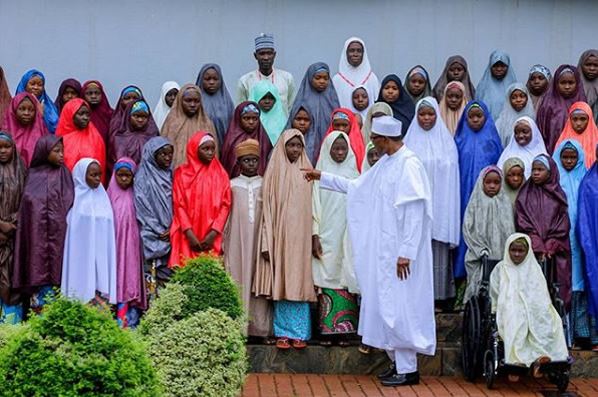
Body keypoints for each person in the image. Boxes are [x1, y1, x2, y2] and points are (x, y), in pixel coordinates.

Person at [303, 115, 435, 387]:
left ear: (386, 139)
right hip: (385, 252)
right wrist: (323, 177)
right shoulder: (387, 163)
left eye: (375, 138)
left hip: (402, 256)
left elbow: (415, 213)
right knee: (386, 307)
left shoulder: (409, 165)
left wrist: (406, 252)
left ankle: (409, 370)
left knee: (402, 308)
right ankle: (397, 363)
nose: (371, 143)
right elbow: (357, 188)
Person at [253, 129, 317, 350]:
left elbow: (316, 207)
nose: (295, 150)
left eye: (299, 146)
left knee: (299, 280)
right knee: (282, 281)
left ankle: (300, 333)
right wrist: (265, 241)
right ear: (283, 147)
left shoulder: (308, 172)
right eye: (291, 145)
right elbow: (266, 211)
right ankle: (283, 333)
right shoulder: (273, 173)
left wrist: (315, 235)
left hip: (302, 238)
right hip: (279, 236)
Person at [404, 97, 460, 307]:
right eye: (422, 114)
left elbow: (451, 180)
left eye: (430, 114)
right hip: (415, 210)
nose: (426, 118)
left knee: (437, 254)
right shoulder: (408, 144)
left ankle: (438, 298)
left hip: (440, 208)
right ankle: (415, 300)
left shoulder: (447, 144)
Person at [490, 233, 569, 374]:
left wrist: (535, 308)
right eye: (513, 250)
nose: (516, 254)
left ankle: (541, 358)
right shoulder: (500, 269)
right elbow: (495, 293)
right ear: (507, 250)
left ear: (528, 252)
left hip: (534, 305)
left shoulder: (534, 269)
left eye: (521, 251)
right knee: (517, 320)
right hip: (509, 306)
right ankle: (516, 361)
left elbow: (541, 294)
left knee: (548, 320)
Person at [12, 135, 74, 314]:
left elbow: (69, 202)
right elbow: (27, 209)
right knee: (37, 276)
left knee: (59, 282)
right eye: (56, 151)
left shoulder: (65, 174)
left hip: (59, 238)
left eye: (62, 151)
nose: (61, 155)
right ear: (44, 152)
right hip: (36, 239)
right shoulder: (31, 176)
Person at [312, 131, 360, 346]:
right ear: (328, 149)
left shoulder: (355, 175)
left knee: (345, 275)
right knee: (326, 277)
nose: (340, 152)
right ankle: (327, 331)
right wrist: (314, 234)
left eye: (343, 149)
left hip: (348, 236)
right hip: (326, 235)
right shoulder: (319, 174)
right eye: (336, 149)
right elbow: (314, 206)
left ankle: (346, 331)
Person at [223, 139, 272, 339]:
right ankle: (238, 329)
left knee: (258, 280)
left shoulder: (266, 183)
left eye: (254, 160)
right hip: (236, 239)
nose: (250, 164)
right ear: (239, 162)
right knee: (238, 277)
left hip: (260, 241)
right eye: (246, 160)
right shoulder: (231, 184)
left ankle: (259, 330)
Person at [515, 154, 571, 310]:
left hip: (555, 251)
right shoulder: (524, 195)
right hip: (533, 250)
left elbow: (563, 223)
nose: (536, 173)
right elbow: (522, 221)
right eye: (533, 170)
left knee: (556, 290)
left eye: (540, 169)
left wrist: (551, 245)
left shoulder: (558, 195)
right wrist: (537, 244)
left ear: (550, 172)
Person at [454, 101, 502, 280]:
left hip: (487, 196)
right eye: (471, 116)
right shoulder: (459, 139)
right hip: (462, 194)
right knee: (463, 231)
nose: (475, 120)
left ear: (486, 117)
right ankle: (460, 279)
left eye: (478, 116)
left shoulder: (492, 139)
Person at [553, 140, 593, 348]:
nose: (568, 161)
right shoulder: (554, 179)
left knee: (579, 284)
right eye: (565, 158)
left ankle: (581, 334)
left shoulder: (586, 179)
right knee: (562, 284)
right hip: (560, 240)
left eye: (572, 158)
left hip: (580, 241)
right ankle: (562, 337)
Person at [169, 132, 231, 268]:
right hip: (188, 235)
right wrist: (189, 234)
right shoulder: (181, 174)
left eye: (212, 149)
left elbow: (225, 205)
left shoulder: (221, 174)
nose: (210, 153)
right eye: (205, 149)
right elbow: (179, 205)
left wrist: (213, 233)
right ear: (194, 149)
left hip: (212, 234)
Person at [61, 158, 117, 304]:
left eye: (99, 174)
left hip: (100, 257)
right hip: (81, 257)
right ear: (81, 175)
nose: (98, 179)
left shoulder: (103, 198)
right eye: (93, 175)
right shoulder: (74, 198)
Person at [462, 166, 515, 302]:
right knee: (480, 284)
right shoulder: (475, 203)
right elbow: (468, 229)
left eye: (496, 183)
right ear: (482, 182)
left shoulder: (505, 203)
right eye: (488, 182)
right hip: (480, 255)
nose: (492, 186)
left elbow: (510, 230)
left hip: (501, 255)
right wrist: (480, 249)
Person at [107, 157, 146, 328]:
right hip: (114, 248)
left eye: (127, 176)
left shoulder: (137, 195)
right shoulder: (108, 196)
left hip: (132, 249)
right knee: (115, 281)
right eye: (120, 175)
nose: (123, 179)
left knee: (130, 280)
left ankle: (130, 325)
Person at [134, 137, 174, 301]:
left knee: (168, 278)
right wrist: (159, 230)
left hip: (170, 234)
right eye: (162, 154)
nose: (167, 158)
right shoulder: (142, 176)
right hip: (151, 234)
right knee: (150, 278)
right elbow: (142, 206)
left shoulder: (171, 174)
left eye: (170, 154)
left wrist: (172, 228)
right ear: (152, 155)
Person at [288, 62, 340, 163]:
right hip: (305, 146)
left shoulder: (332, 99)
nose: (322, 81)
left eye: (325, 78)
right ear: (310, 78)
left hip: (328, 145)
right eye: (318, 78)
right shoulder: (303, 100)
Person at [0, 133, 26, 324]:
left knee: (12, 279)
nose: (2, 151)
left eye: (6, 147)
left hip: (14, 235)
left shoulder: (21, 170)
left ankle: (10, 327)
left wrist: (13, 224)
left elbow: (27, 201)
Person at [161, 84, 216, 167]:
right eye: (188, 100)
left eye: (196, 101)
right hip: (176, 173)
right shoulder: (171, 123)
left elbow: (213, 153)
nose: (192, 104)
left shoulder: (206, 124)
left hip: (201, 174)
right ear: (180, 100)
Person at [536, 65, 587, 154]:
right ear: (556, 83)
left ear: (577, 83)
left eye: (570, 83)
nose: (567, 87)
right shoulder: (548, 104)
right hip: (552, 151)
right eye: (563, 83)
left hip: (579, 154)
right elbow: (540, 132)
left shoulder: (581, 102)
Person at [237, 33, 295, 111]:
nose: (266, 58)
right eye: (262, 54)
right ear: (255, 56)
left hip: (282, 123)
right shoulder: (245, 81)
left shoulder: (287, 78)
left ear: (274, 55)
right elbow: (240, 110)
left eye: (269, 53)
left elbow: (292, 108)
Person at [55, 98, 106, 181]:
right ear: (70, 114)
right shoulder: (60, 139)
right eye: (81, 114)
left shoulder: (96, 138)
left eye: (87, 114)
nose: (85, 118)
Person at [577, 144, 598, 349]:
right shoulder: (589, 183)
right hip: (594, 245)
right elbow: (583, 219)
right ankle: (595, 337)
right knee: (595, 287)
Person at [221, 101, 272, 178]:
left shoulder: (264, 139)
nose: (251, 122)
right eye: (246, 118)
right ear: (238, 118)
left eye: (255, 118)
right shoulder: (231, 139)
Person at [108, 99, 158, 170]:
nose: (140, 120)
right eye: (136, 116)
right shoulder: (120, 138)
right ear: (128, 116)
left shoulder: (153, 137)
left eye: (144, 117)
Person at [332, 37, 380, 110]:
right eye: (351, 51)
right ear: (346, 53)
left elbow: (377, 104)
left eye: (359, 51)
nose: (355, 54)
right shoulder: (337, 80)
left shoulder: (372, 78)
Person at [2, 92, 49, 166]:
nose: (26, 113)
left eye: (31, 110)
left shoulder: (42, 131)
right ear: (14, 109)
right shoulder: (5, 132)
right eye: (22, 109)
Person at [196, 64, 234, 146]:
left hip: (223, 148)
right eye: (207, 79)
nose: (211, 82)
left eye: (215, 79)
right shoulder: (195, 101)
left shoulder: (227, 102)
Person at [554, 101, 598, 168]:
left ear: (590, 119)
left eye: (583, 119)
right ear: (569, 120)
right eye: (575, 119)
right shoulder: (562, 142)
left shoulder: (596, 141)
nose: (578, 123)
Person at [476, 50, 518, 120]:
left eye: (502, 66)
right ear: (490, 66)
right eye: (495, 66)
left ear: (508, 67)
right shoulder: (482, 88)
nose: (499, 69)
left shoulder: (514, 88)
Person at [15, 69, 59, 133]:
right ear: (24, 85)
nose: (36, 87)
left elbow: (56, 128)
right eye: (32, 84)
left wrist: (42, 115)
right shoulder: (15, 104)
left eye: (39, 85)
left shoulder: (48, 106)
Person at [495, 83, 536, 147]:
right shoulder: (500, 123)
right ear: (509, 100)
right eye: (514, 97)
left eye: (522, 96)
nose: (518, 100)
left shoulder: (533, 120)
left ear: (527, 98)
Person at [249, 80, 287, 145]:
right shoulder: (248, 120)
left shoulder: (283, 122)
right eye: (263, 98)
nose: (267, 101)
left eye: (271, 98)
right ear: (256, 98)